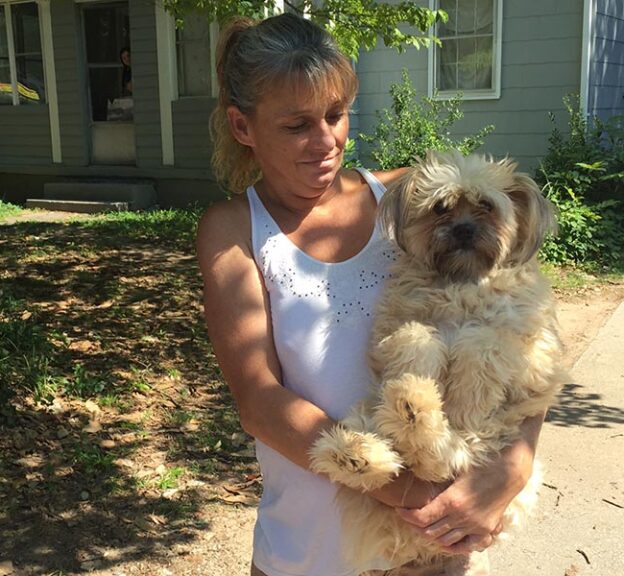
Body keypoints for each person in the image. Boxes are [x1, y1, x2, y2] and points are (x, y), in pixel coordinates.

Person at [196, 13, 544, 576]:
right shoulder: (234, 230)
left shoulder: (414, 201)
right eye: (296, 125)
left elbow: (525, 332)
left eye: (336, 115)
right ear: (243, 126)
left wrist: (513, 466)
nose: (326, 141)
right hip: (309, 552)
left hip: (433, 550)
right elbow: (259, 401)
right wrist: (407, 491)